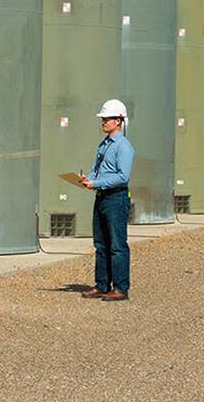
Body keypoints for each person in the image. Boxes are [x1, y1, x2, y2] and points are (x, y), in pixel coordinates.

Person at [80, 99, 134, 301]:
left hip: (116, 198)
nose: (103, 121)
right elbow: (98, 170)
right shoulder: (103, 145)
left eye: (106, 118)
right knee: (101, 244)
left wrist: (96, 184)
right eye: (103, 118)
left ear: (118, 120)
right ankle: (102, 285)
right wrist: (89, 179)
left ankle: (121, 288)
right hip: (102, 197)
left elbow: (123, 176)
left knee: (117, 245)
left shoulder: (124, 146)